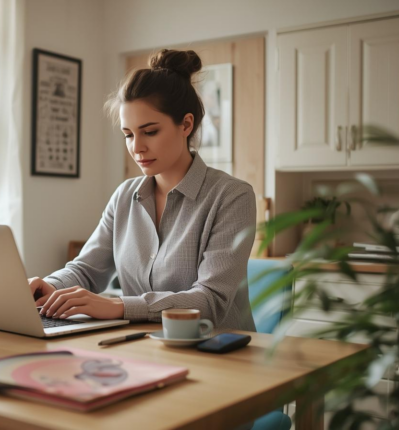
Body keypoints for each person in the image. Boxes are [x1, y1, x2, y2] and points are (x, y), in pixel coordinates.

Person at [27, 49, 256, 331]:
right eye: (128, 134)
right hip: (139, 346)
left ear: (186, 124)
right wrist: (48, 286)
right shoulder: (124, 196)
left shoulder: (232, 197)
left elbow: (211, 300)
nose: (136, 147)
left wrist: (119, 306)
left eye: (150, 132)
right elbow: (86, 269)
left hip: (217, 348)